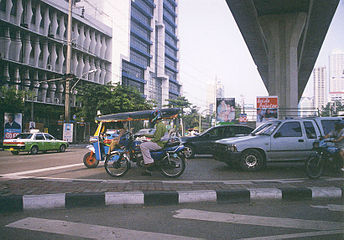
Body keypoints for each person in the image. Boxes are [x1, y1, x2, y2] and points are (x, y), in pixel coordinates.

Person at [139, 110, 167, 176]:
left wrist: (150, 141)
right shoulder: (160, 124)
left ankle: (149, 161)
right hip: (160, 143)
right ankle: (148, 168)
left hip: (159, 144)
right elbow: (154, 135)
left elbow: (157, 138)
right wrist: (144, 135)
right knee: (145, 144)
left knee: (143, 146)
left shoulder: (159, 125)